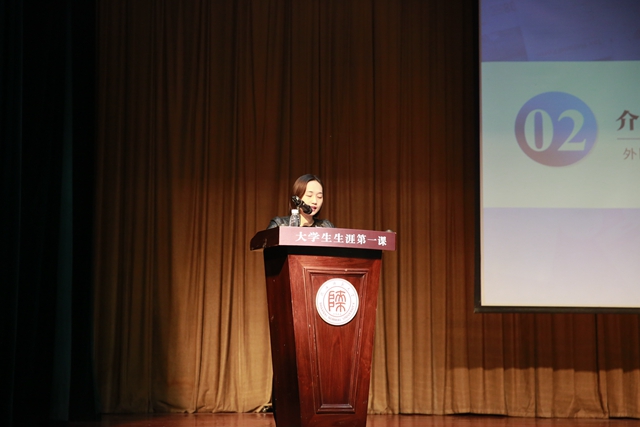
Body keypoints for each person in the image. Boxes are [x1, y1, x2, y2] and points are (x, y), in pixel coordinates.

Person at [267, 174, 335, 229]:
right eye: (309, 195)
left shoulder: (326, 226)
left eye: (319, 196)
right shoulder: (279, 224)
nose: (315, 201)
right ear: (298, 197)